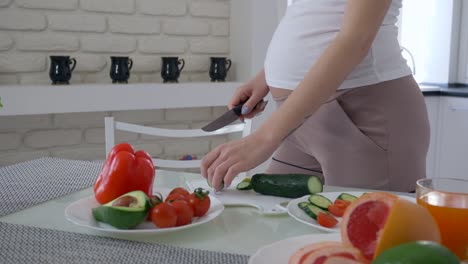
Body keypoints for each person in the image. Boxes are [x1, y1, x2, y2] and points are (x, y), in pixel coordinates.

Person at [201, 0, 429, 193]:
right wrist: (267, 75)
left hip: (364, 117)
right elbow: (315, 16)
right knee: (278, 231)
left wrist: (262, 139)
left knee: (360, 240)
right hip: (299, 121)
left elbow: (356, 38)